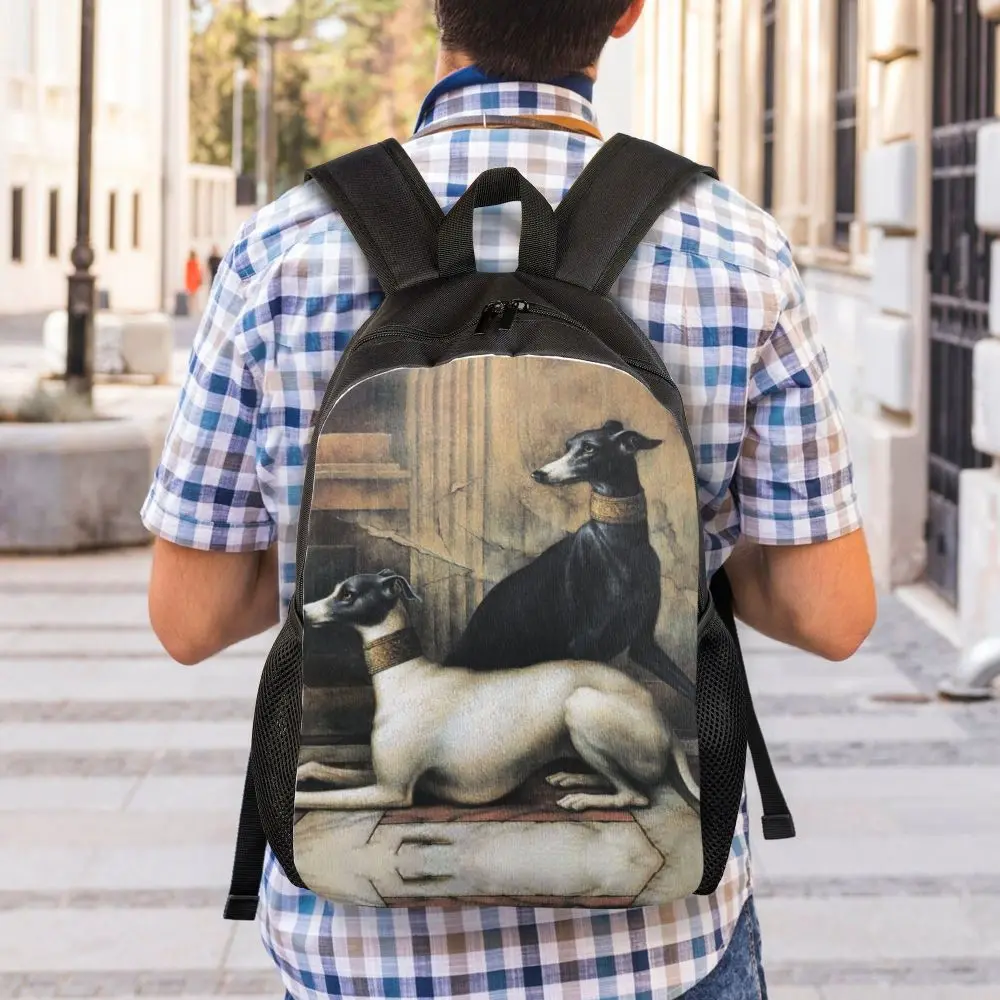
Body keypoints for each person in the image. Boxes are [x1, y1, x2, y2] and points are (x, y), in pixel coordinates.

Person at [142, 1, 877, 996]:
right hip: (656, 943)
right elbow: (829, 613)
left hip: (361, 950)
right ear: (628, 13)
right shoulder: (733, 246)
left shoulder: (283, 247)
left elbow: (190, 617)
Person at [184, 249, 203, 314]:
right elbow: (197, 272)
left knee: (191, 296)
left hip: (191, 281)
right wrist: (199, 280)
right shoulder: (194, 262)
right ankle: (194, 309)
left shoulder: (190, 262)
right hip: (194, 281)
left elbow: (188, 273)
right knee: (194, 296)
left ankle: (191, 309)